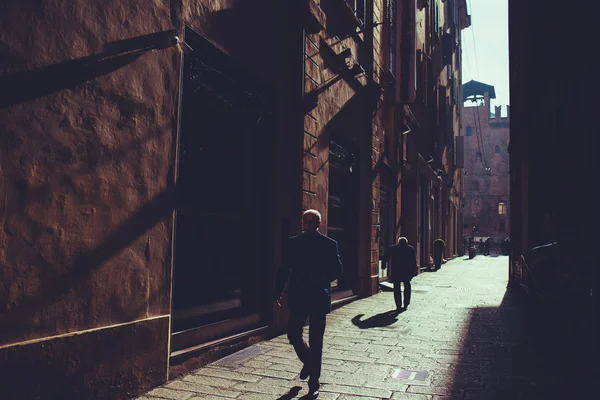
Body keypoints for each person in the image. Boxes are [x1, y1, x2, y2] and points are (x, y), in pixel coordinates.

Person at [275, 209, 343, 398]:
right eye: (305, 221)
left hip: (318, 297)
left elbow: (338, 271)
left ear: (318, 224)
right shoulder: (293, 243)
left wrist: (322, 277)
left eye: (311, 222)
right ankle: (309, 362)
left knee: (316, 340)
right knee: (294, 334)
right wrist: (278, 291)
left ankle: (314, 380)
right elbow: (284, 268)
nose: (307, 225)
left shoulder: (329, 244)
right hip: (298, 296)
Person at [381, 237, 417, 312]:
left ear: (398, 242)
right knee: (407, 286)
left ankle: (398, 305)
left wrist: (383, 264)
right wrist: (414, 271)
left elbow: (385, 256)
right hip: (406, 270)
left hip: (396, 270)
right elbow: (414, 261)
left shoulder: (394, 248)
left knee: (396, 288)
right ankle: (406, 303)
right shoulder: (410, 249)